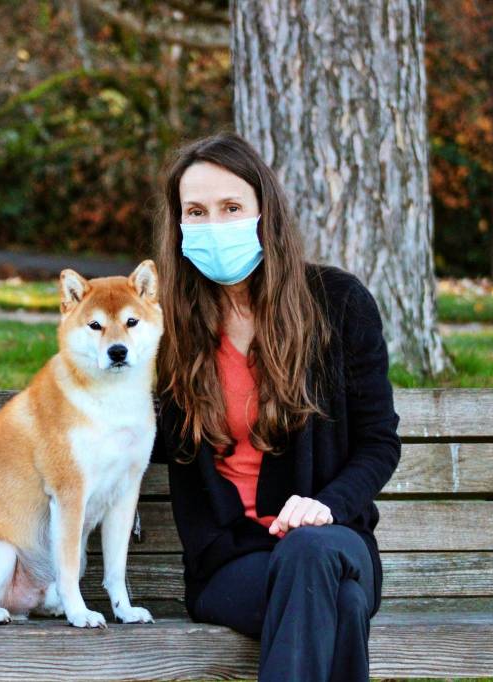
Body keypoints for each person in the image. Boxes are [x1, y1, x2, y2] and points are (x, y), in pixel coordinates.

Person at [149, 132, 401, 681]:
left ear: (265, 212)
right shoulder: (166, 327)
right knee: (345, 605)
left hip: (336, 541)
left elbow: (379, 443)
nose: (214, 224)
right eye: (196, 211)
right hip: (232, 561)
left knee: (311, 555)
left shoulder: (338, 304)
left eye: (231, 208)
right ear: (178, 226)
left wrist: (325, 506)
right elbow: (141, 438)